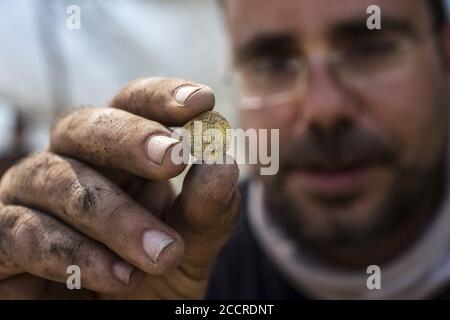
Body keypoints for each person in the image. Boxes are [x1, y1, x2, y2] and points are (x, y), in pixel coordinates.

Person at [0, 0, 449, 299]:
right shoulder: (178, 273)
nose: (322, 109)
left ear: (445, 54)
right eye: (272, 63)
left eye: (370, 48)